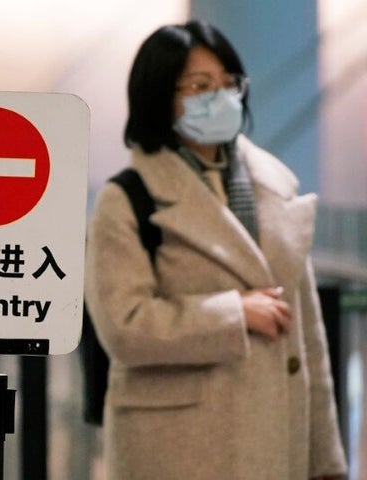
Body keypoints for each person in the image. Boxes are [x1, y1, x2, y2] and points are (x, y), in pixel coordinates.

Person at [84, 20, 347, 480]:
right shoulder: (129, 198)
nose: (221, 98)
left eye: (229, 84)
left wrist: (326, 462)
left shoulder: (275, 189)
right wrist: (233, 313)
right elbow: (123, 326)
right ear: (159, 95)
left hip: (274, 442)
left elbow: (309, 341)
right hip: (178, 448)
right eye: (200, 86)